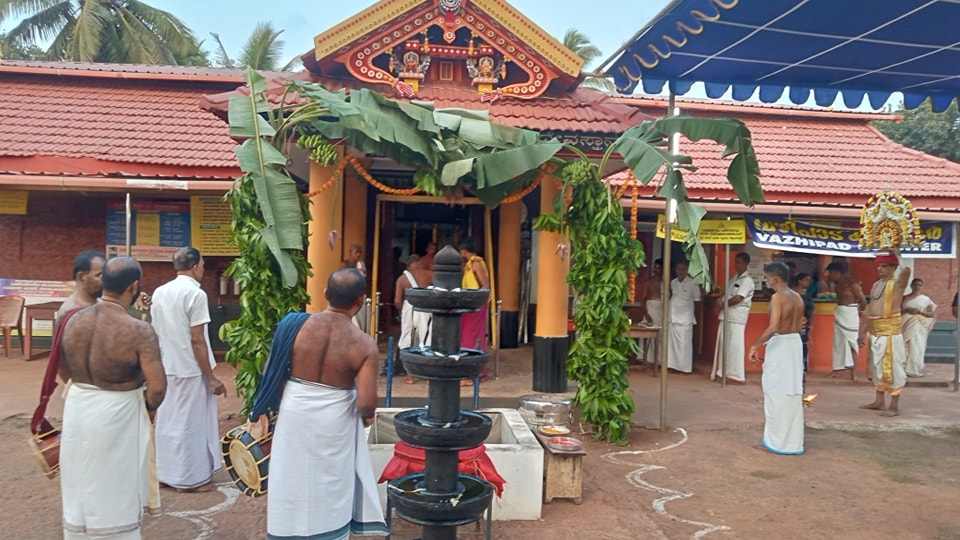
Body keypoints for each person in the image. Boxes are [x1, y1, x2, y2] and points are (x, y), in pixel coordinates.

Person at [267, 268, 388, 539]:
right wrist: (368, 417)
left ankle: (286, 531)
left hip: (294, 410)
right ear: (360, 301)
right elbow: (367, 403)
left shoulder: (294, 326)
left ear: (325, 294)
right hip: (335, 419)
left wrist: (292, 396)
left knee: (290, 475)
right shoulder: (364, 344)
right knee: (332, 481)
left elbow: (271, 372)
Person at [59, 257, 166, 539]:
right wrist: (144, 407)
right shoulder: (139, 330)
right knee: (116, 486)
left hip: (78, 406)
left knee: (80, 480)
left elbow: (62, 369)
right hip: (118, 413)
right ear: (133, 287)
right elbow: (157, 387)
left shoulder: (71, 320)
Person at [150, 247, 226, 493]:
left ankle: (165, 473)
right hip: (190, 369)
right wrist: (211, 377)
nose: (202, 268)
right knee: (191, 423)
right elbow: (197, 340)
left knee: (168, 421)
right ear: (195, 267)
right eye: (202, 264)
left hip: (166, 366)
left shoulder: (160, 292)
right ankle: (191, 478)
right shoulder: (196, 294)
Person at [748, 261, 805, 455]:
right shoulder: (798, 297)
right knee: (791, 393)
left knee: (776, 392)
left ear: (774, 278)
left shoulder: (778, 297)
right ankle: (791, 441)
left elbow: (773, 327)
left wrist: (755, 345)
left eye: (766, 277)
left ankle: (776, 442)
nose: (766, 281)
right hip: (795, 343)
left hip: (781, 344)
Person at [859, 250, 911, 417]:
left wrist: (898, 255)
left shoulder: (897, 284)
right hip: (874, 331)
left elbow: (906, 272)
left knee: (893, 368)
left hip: (890, 332)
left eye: (884, 266)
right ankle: (879, 401)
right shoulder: (876, 285)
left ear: (893, 267)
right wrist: (862, 331)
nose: (880, 269)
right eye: (879, 265)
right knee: (876, 368)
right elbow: (870, 310)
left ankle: (894, 406)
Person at [712, 252, 754, 382]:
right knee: (725, 346)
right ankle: (724, 372)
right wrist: (719, 302)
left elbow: (738, 298)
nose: (737, 265)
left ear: (747, 263)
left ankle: (736, 375)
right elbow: (727, 293)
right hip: (727, 315)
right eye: (736, 262)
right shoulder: (735, 277)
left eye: (740, 262)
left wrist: (722, 304)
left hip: (737, 317)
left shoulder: (747, 280)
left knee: (735, 346)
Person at [395, 255, 433, 384]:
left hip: (409, 308)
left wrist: (401, 311)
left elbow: (397, 301)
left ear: (408, 266)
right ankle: (428, 375)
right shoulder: (429, 274)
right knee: (427, 338)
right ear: (419, 262)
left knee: (408, 339)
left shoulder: (402, 279)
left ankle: (410, 375)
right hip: (426, 307)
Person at [825, 261, 866, 380]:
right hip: (840, 313)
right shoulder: (837, 285)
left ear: (836, 272)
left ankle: (854, 373)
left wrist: (858, 315)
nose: (829, 276)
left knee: (852, 343)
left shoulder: (853, 284)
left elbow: (862, 301)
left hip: (851, 314)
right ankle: (836, 369)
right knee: (838, 343)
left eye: (830, 273)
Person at [459, 238, 491, 386]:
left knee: (473, 336)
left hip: (476, 303)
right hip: (469, 302)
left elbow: (484, 284)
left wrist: (478, 300)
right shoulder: (468, 265)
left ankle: (473, 373)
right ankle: (469, 370)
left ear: (465, 250)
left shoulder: (477, 263)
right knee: (467, 335)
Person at [667, 260, 701, 373]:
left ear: (687, 270)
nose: (680, 271)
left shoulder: (693, 283)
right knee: (672, 344)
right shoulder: (673, 282)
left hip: (686, 319)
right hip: (673, 318)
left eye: (683, 269)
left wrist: (695, 315)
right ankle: (672, 366)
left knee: (684, 345)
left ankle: (684, 369)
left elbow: (697, 301)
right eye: (678, 269)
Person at [901, 278, 937, 377]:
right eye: (915, 285)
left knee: (917, 346)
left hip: (919, 326)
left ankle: (914, 369)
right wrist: (907, 310)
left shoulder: (926, 299)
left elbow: (931, 314)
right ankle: (904, 368)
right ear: (911, 286)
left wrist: (920, 312)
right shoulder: (904, 298)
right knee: (905, 345)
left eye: (919, 285)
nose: (917, 287)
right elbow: (898, 312)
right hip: (905, 325)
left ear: (922, 287)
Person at [58, 250, 105, 317]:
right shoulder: (74, 313)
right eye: (99, 275)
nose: (105, 280)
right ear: (81, 277)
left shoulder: (97, 304)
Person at [638, 258, 664, 363]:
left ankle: (659, 360)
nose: (656, 270)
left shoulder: (666, 282)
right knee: (648, 336)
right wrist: (646, 313)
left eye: (659, 268)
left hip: (662, 312)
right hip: (651, 311)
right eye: (655, 268)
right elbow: (642, 300)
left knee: (661, 336)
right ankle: (646, 359)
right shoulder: (648, 282)